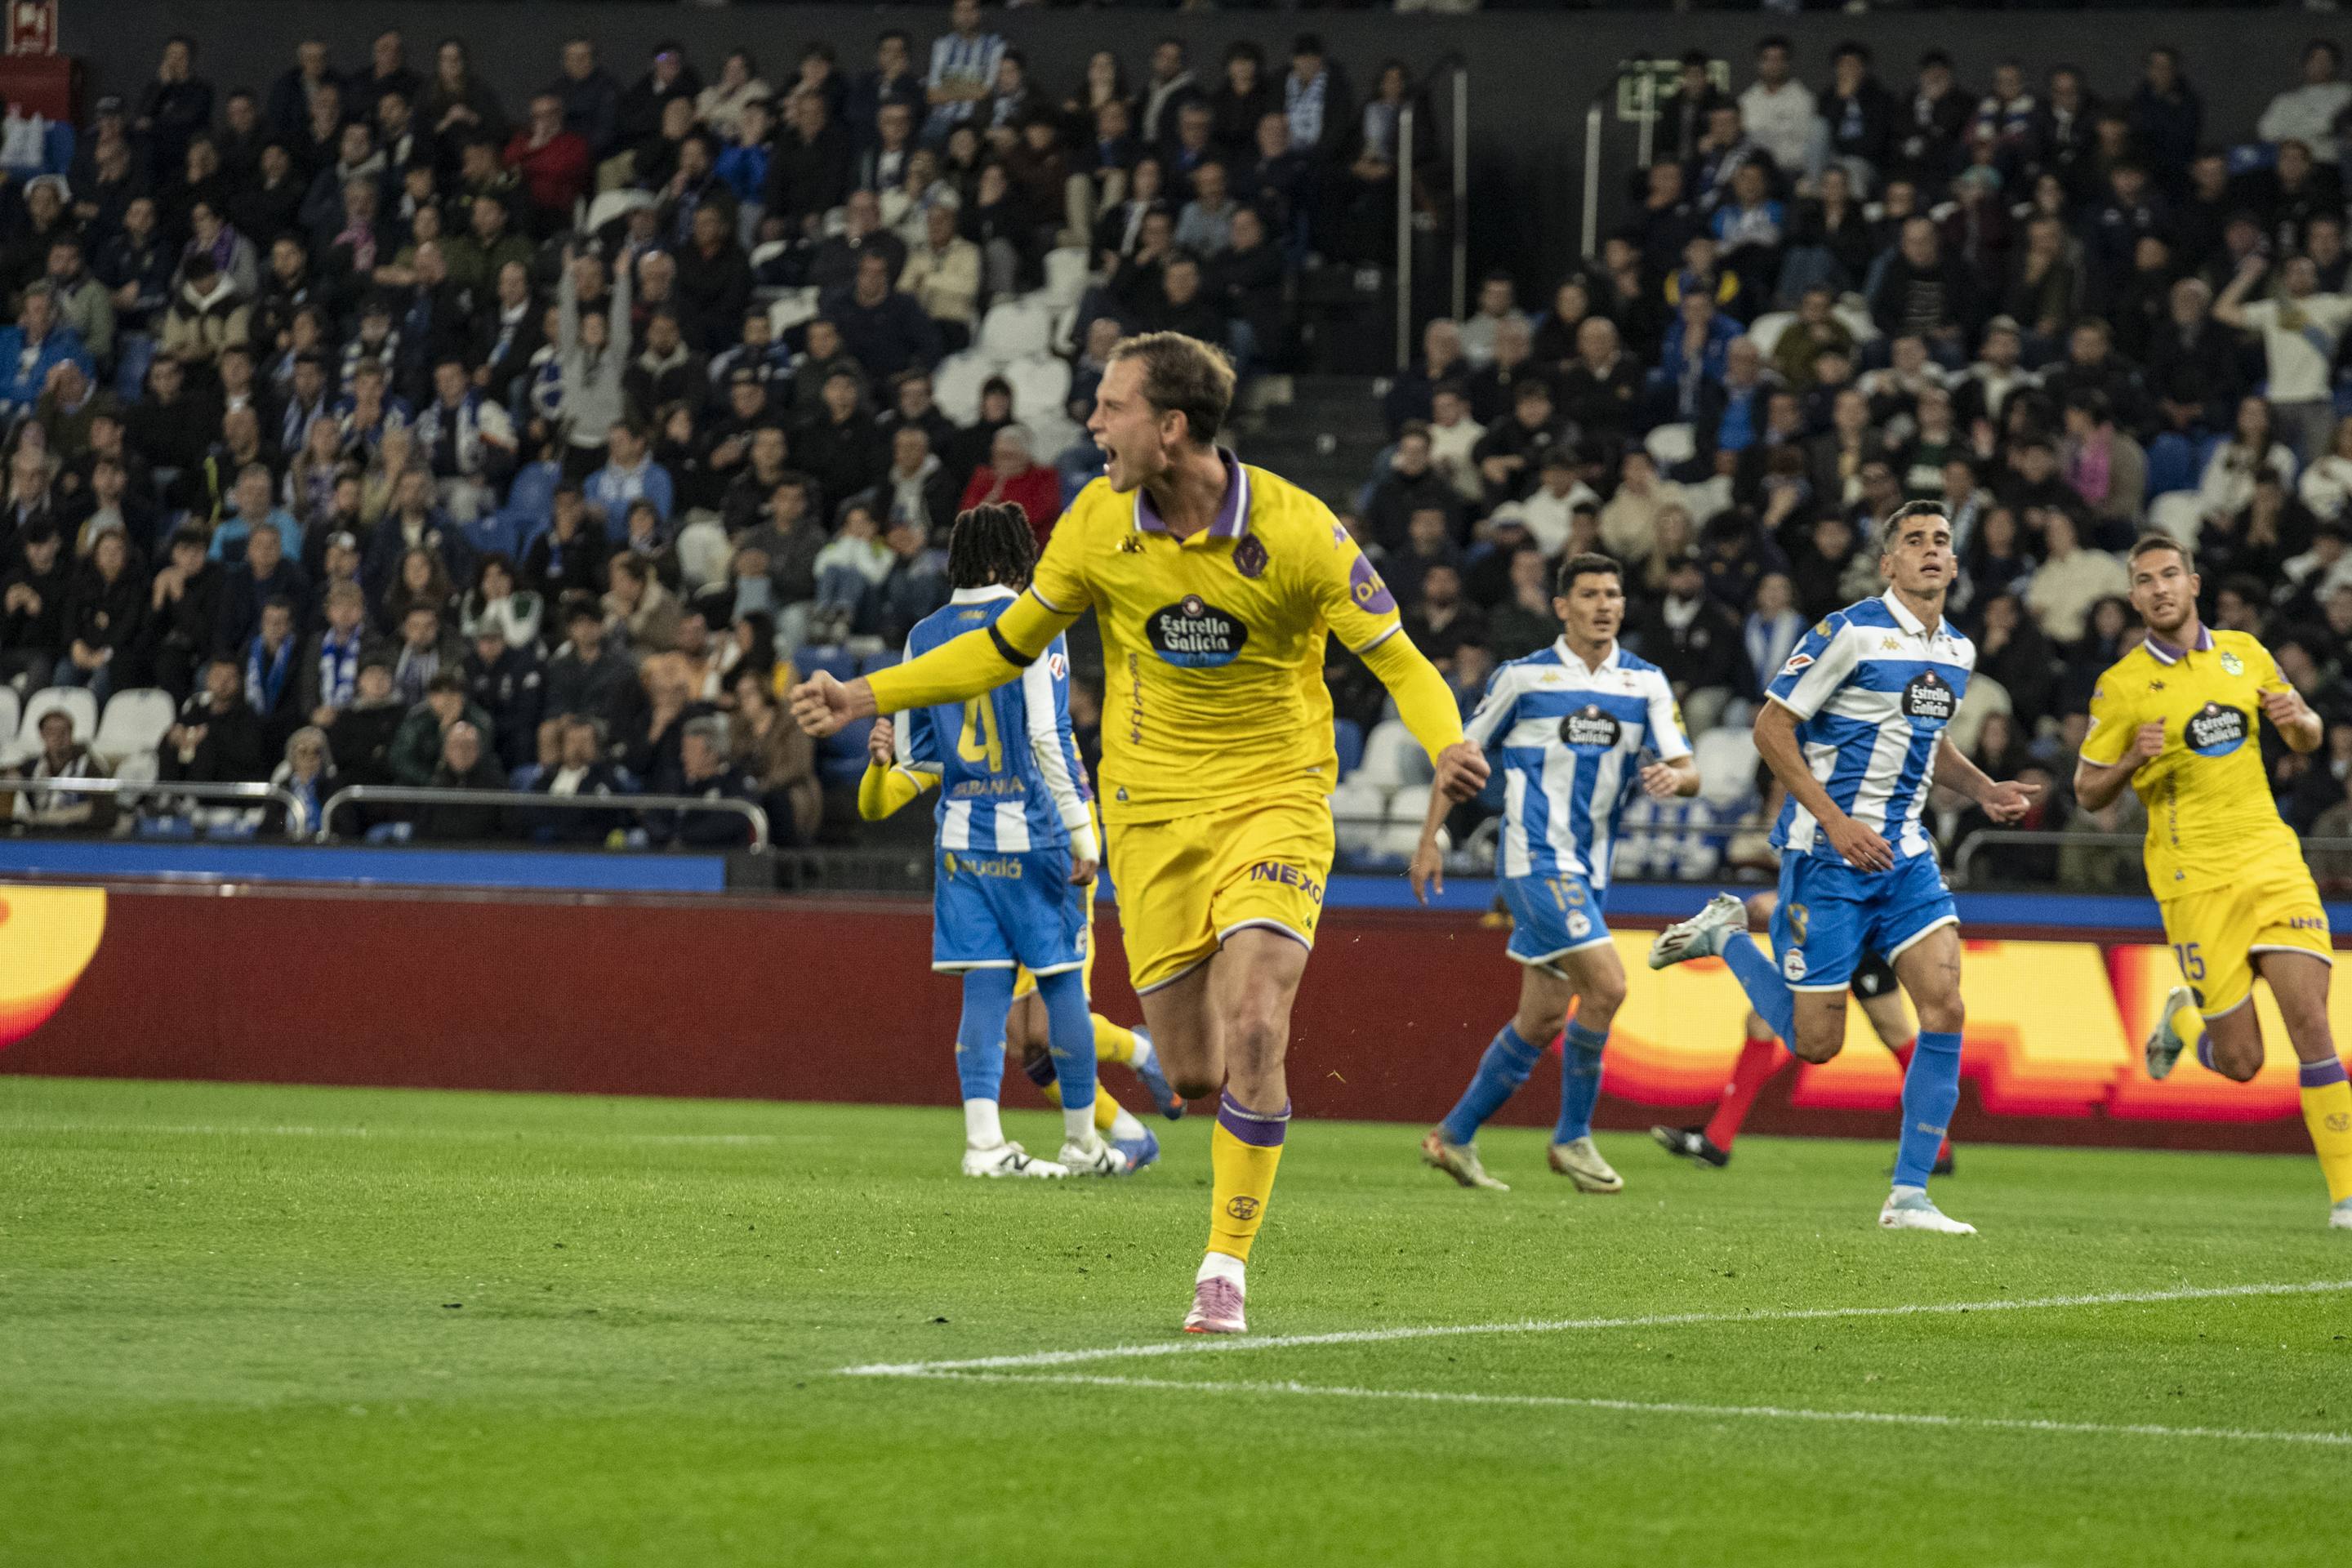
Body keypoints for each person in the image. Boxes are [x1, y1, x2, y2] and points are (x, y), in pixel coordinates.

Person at [791, 332, 1486, 1334]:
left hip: (1274, 800)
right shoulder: (1093, 524)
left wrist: (1448, 740)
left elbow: (1401, 660)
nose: (1092, 423)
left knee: (1256, 1021)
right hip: (1152, 819)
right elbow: (998, 649)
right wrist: (865, 693)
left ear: (1171, 427)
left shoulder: (1299, 529)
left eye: (1110, 406)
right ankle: (1182, 1107)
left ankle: (1224, 1268)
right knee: (1199, 1071)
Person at [1648, 501, 2038, 1236]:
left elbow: (1928, 743)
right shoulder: (1847, 631)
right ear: (1887, 563)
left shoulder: (1955, 650)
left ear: (1955, 565)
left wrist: (1983, 788)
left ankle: (1910, 1195)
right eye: (1913, 542)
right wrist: (1835, 820)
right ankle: (1728, 934)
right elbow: (1770, 728)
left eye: (1941, 543)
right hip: (1827, 856)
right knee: (1815, 1044)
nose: (1930, 552)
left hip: (1906, 857)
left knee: (1946, 1006)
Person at [848, 501, 1140, 1180]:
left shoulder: (923, 635)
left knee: (984, 990)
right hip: (1033, 831)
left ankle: (984, 1144)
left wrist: (875, 774)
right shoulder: (1034, 620)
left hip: (960, 837)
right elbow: (1048, 735)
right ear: (1015, 557)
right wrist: (1080, 831)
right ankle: (1083, 1144)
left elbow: (914, 766)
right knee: (1064, 985)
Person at [2073, 536, 2351, 1230]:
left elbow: (2308, 737)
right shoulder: (2122, 686)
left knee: (2312, 1022)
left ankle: (2346, 1198)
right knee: (2243, 1061)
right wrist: (2128, 762)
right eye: (2145, 581)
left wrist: (2303, 721)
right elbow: (2086, 792)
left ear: (2193, 583)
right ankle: (2187, 1021)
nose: (2161, 588)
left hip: (2270, 861)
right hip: (2192, 879)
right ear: (2134, 598)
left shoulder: (2245, 653)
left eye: (2171, 575)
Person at [1411, 553, 1700, 1194]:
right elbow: (1460, 756)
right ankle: (1572, 1138)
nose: (1605, 605)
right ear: (1562, 607)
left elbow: (1690, 769)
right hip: (1533, 861)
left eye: (1614, 595)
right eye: (1591, 594)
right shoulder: (1523, 679)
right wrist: (1429, 837)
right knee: (1608, 987)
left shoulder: (1645, 682)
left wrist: (1672, 778)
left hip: (1591, 871)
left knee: (1541, 1020)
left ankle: (1452, 1137)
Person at [1650, 887, 1950, 1174]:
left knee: (1768, 1024)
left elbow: (1839, 870)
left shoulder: (1836, 836)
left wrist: (1783, 900)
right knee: (1895, 1032)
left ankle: (1717, 1140)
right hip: (1857, 927)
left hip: (1837, 930)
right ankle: (1935, 1148)